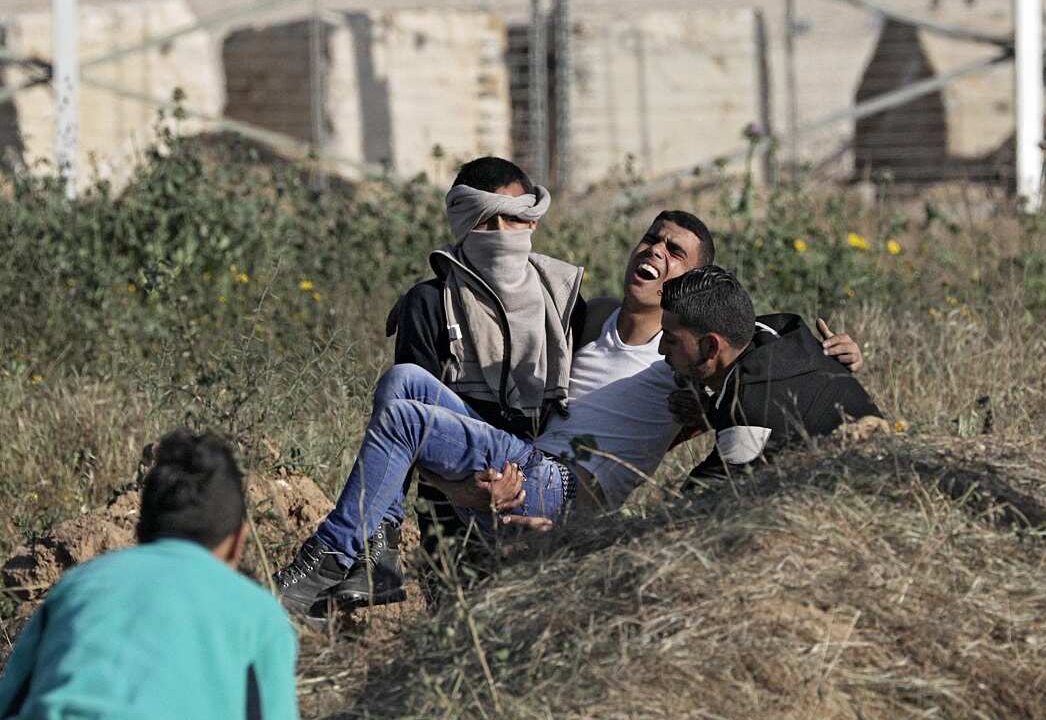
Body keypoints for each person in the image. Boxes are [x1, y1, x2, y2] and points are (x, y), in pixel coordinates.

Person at [274, 211, 864, 612]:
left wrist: (839, 358)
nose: (655, 251)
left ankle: (333, 555)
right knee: (405, 378)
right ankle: (375, 547)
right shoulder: (584, 317)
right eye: (651, 239)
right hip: (519, 457)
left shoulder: (684, 356)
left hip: (563, 487)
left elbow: (757, 359)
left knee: (406, 419)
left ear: (697, 280)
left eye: (675, 252)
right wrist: (426, 300)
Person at [283, 156, 585, 612]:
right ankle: (375, 548)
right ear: (465, 224)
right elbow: (404, 431)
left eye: (517, 217)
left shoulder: (562, 300)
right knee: (403, 382)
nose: (506, 233)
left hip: (530, 482)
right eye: (490, 221)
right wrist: (462, 493)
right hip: (451, 495)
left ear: (533, 221)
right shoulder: (431, 302)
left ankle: (346, 556)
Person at [0, 429, 298, 720]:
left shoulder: (77, 585)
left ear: (141, 529)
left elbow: (10, 701)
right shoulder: (259, 614)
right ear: (238, 542)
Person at [657, 265, 884, 481]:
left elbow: (696, 501)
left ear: (711, 347)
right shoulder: (783, 330)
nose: (661, 349)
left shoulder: (749, 411)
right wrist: (712, 410)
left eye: (671, 340)